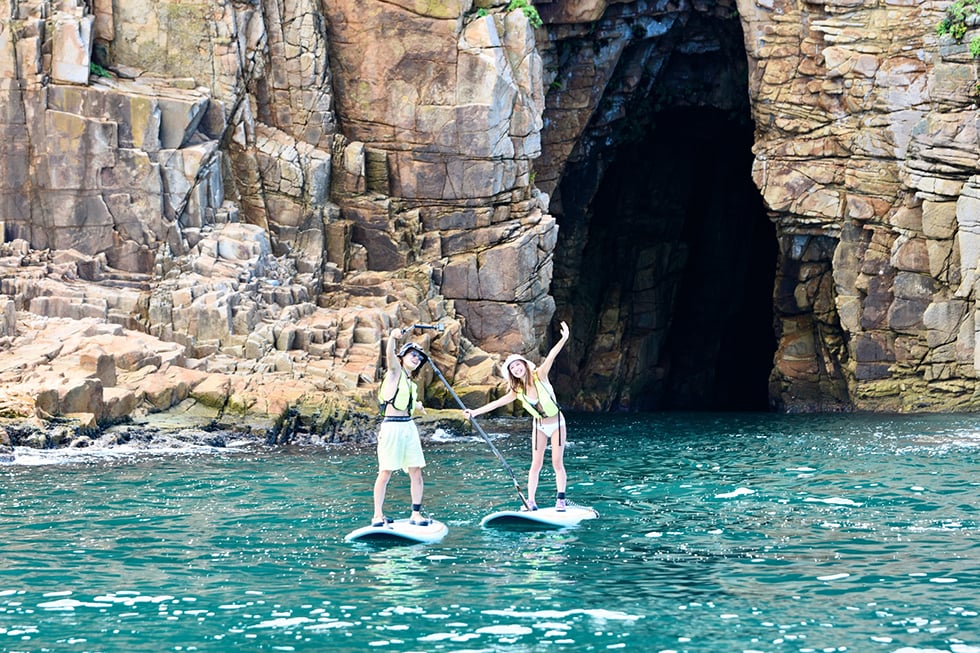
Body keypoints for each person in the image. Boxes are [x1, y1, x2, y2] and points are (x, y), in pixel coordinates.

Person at [464, 321, 571, 511]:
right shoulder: (517, 390)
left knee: (556, 462)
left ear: (524, 365)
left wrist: (564, 338)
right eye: (512, 368)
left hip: (557, 423)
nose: (516, 369)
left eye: (518, 365)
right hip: (539, 426)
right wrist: (474, 412)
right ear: (511, 373)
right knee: (535, 464)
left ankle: (560, 500)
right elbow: (497, 403)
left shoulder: (540, 375)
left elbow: (551, 356)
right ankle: (531, 501)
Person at [372, 327, 429, 527]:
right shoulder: (395, 372)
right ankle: (377, 515)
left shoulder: (410, 383)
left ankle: (416, 514)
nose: (416, 359)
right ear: (402, 357)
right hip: (391, 427)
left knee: (416, 471)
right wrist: (392, 338)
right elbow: (389, 356)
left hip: (408, 427)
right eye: (412, 355)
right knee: (385, 472)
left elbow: (407, 402)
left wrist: (418, 406)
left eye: (419, 358)